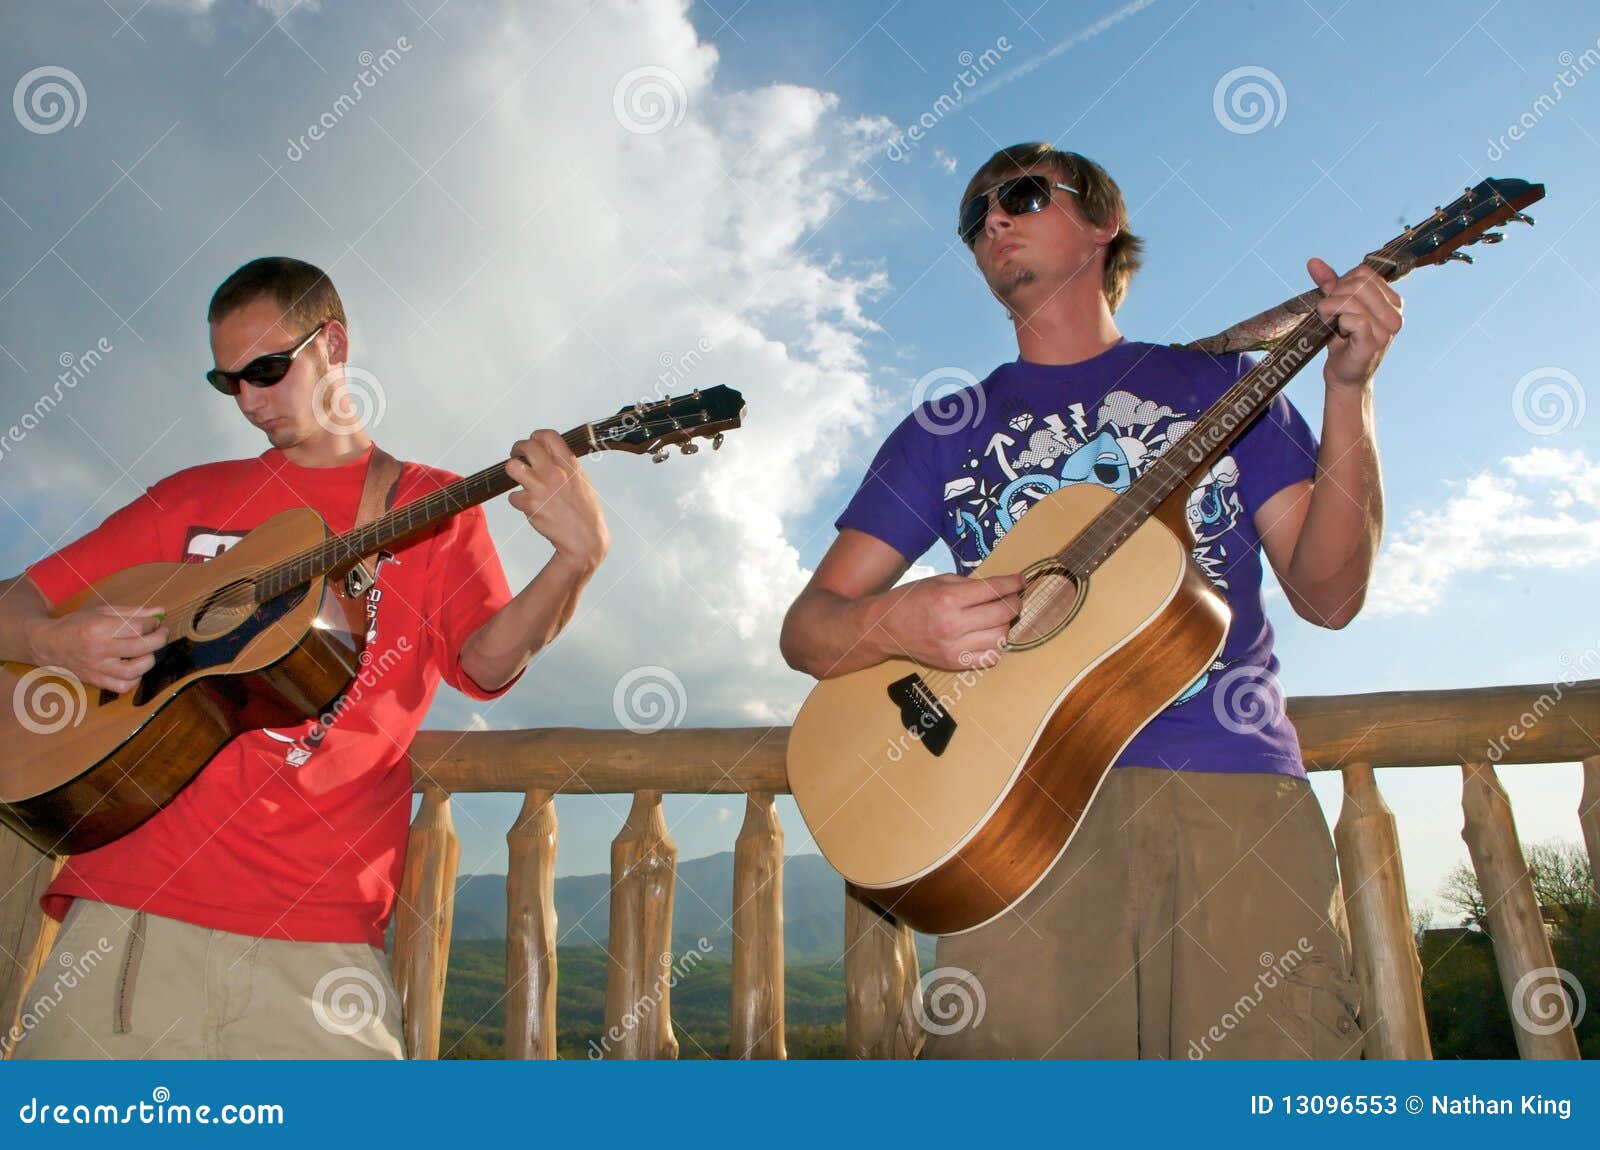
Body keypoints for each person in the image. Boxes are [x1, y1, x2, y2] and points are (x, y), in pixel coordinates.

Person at [780, 144, 1401, 1059]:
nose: (991, 219)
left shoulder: (1225, 388)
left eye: (1021, 195)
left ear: (1105, 225)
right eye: (975, 214)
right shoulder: (943, 429)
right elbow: (808, 629)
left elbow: (1331, 594)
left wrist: (1350, 393)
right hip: (1010, 817)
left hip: (1229, 790)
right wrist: (898, 619)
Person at [0, 256, 609, 1059]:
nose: (251, 400)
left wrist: (574, 560)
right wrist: (55, 641)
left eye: (267, 369)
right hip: (129, 916)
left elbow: (488, 665)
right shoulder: (190, 495)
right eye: (229, 383)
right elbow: (16, 601)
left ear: (335, 345)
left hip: (321, 938)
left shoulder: (433, 504)